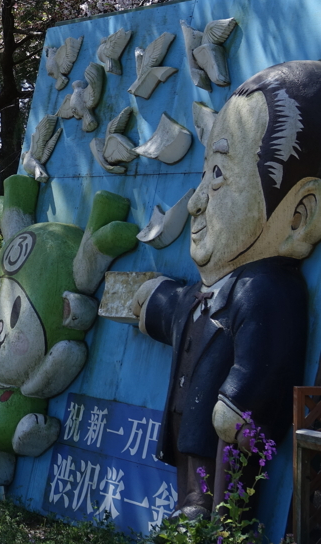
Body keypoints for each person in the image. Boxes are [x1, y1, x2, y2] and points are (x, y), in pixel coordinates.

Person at [132, 60, 321, 520]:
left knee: (224, 499)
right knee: (190, 488)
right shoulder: (213, 289)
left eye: (218, 176)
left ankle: (219, 519)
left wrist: (238, 400)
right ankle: (193, 512)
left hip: (230, 433)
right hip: (187, 426)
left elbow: (267, 358)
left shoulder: (268, 290)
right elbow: (182, 311)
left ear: (298, 218)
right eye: (203, 175)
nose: (196, 201)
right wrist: (152, 299)